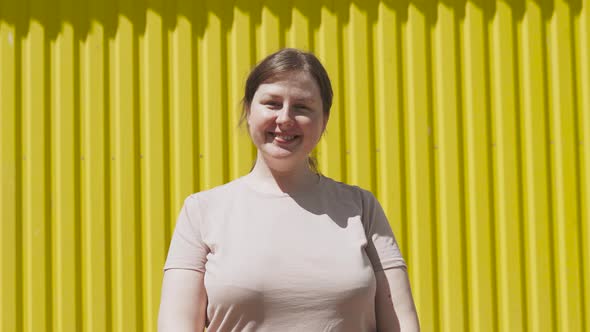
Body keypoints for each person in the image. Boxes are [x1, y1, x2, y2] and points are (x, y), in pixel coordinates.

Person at [158, 48, 420, 332]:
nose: (285, 118)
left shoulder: (361, 207)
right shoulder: (201, 211)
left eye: (302, 107)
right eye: (272, 103)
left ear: (324, 120)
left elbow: (402, 324)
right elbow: (177, 325)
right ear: (248, 111)